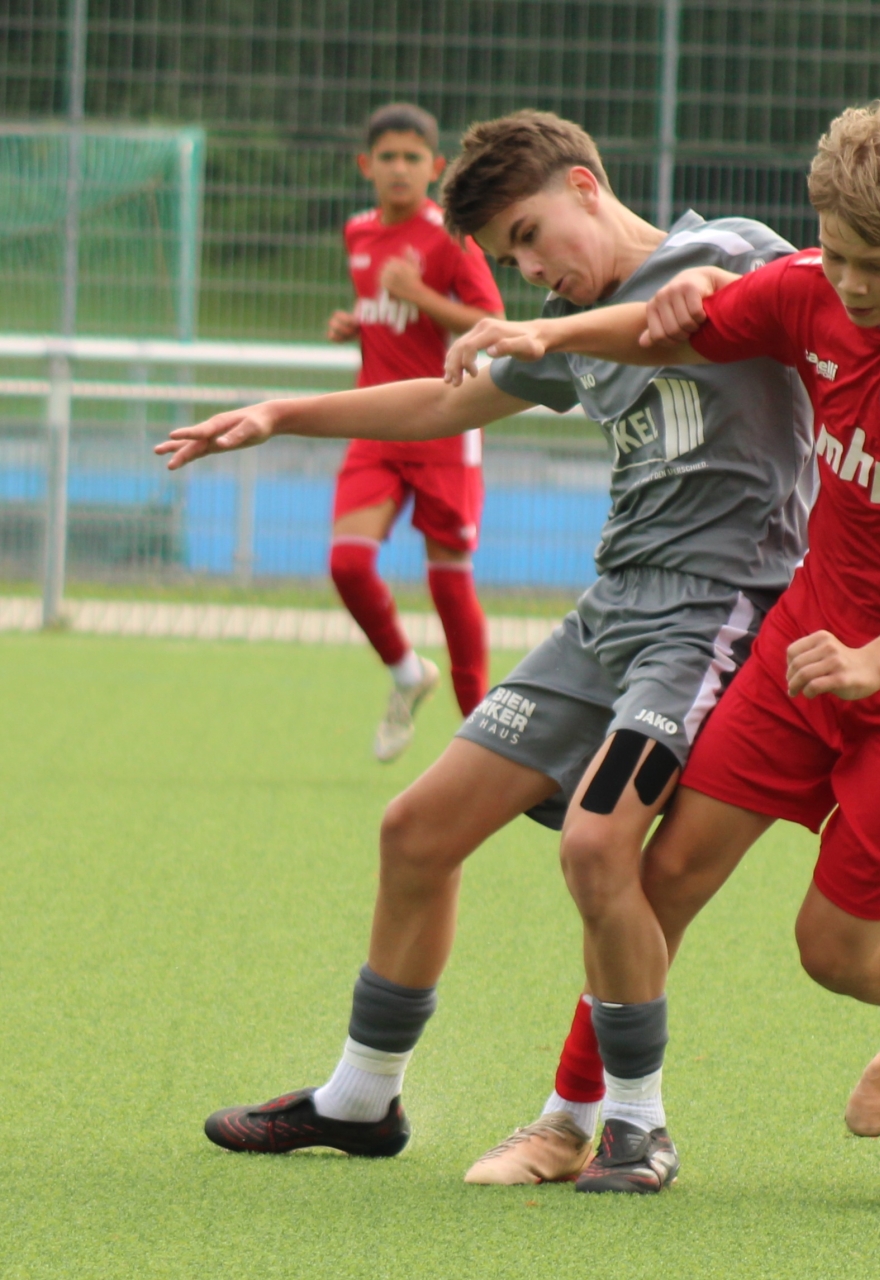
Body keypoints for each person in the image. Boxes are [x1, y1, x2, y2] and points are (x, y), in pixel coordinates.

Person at [161, 110, 815, 1194]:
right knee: (416, 830)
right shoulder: (567, 326)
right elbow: (441, 400)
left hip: (715, 616)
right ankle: (362, 1099)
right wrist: (281, 413)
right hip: (609, 613)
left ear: (585, 183)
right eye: (511, 258)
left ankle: (636, 1127)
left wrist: (710, 295)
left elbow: (826, 303)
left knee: (596, 848)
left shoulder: (733, 252)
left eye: (528, 236)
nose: (530, 271)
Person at [441, 98, 880, 1179]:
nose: (853, 286)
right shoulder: (809, 288)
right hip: (807, 642)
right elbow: (665, 330)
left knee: (833, 950)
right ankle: (571, 1122)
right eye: (838, 254)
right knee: (657, 873)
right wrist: (546, 332)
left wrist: (874, 662)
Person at [327, 104, 506, 759]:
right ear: (365, 165)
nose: (398, 169)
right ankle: (407, 672)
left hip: (442, 424)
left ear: (435, 167)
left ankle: (483, 739)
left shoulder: (451, 238)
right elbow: (391, 316)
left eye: (411, 158)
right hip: (376, 424)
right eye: (387, 157)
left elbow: (492, 321)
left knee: (449, 584)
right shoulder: (357, 232)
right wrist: (360, 322)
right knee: (348, 563)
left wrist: (419, 298)